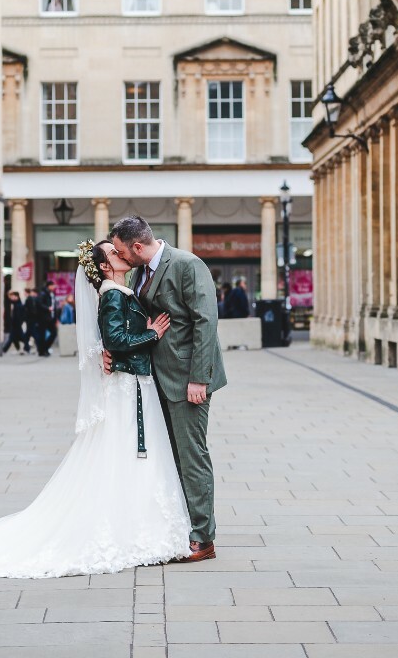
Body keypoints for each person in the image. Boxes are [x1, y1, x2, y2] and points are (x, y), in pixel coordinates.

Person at [0, 239, 190, 580]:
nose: (123, 255)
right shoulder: (113, 294)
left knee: (123, 454)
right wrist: (151, 335)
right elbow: (116, 341)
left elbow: (110, 344)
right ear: (104, 266)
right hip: (127, 387)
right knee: (122, 452)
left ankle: (135, 523)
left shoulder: (120, 290)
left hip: (131, 385)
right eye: (115, 253)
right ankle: (131, 528)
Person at [109, 216, 227, 563]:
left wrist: (200, 378)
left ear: (138, 247)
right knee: (171, 458)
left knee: (192, 458)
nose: (119, 257)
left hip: (187, 380)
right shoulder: (139, 273)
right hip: (158, 378)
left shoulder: (188, 265)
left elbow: (206, 321)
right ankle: (181, 528)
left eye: (120, 250)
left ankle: (203, 538)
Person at [37, 280, 57, 355]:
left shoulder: (52, 294)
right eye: (52, 285)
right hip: (44, 318)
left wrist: (55, 317)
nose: (54, 287)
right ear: (49, 286)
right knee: (42, 335)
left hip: (50, 317)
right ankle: (42, 350)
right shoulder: (43, 294)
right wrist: (47, 308)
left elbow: (54, 305)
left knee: (53, 333)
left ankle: (44, 348)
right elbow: (40, 304)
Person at [22, 288, 39, 353]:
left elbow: (30, 310)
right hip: (30, 320)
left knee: (33, 334)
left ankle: (38, 347)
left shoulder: (29, 299)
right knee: (28, 335)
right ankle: (26, 348)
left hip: (30, 320)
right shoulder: (30, 299)